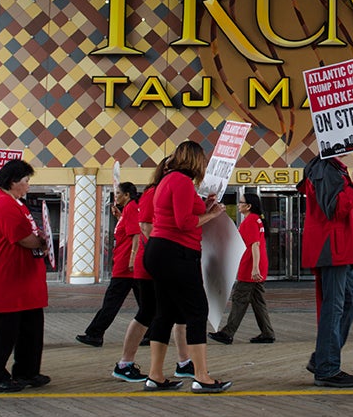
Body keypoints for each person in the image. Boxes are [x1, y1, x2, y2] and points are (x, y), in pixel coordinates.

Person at [142, 141, 231, 393]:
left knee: (165, 312)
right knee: (197, 311)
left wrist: (207, 205)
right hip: (176, 252)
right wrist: (212, 215)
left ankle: (155, 375)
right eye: (202, 159)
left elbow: (181, 213)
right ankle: (202, 376)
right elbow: (184, 222)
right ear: (195, 159)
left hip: (159, 251)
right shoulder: (181, 181)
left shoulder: (168, 181)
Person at [111, 164, 193, 384]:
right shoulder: (152, 193)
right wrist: (165, 252)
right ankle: (125, 363)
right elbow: (145, 228)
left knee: (178, 313)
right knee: (148, 312)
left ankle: (184, 363)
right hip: (153, 265)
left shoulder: (170, 191)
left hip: (166, 262)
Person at [0, 158, 51, 393]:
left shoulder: (15, 203)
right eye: (26, 181)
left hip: (23, 279)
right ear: (13, 182)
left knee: (30, 326)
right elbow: (22, 238)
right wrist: (41, 241)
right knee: (5, 330)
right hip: (6, 278)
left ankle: (27, 371)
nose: (28, 186)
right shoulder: (3, 204)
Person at [299, 154, 353, 388]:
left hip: (337, 249)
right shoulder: (326, 168)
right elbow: (335, 209)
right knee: (335, 305)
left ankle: (323, 358)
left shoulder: (329, 168)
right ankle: (327, 367)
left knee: (349, 301)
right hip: (332, 248)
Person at [77, 182, 139, 347]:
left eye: (118, 193)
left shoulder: (132, 208)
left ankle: (95, 333)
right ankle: (153, 333)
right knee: (146, 304)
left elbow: (136, 235)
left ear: (127, 195)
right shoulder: (127, 210)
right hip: (125, 265)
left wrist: (132, 258)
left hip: (125, 267)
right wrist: (119, 216)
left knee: (111, 302)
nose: (116, 196)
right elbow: (128, 229)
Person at [210, 193, 275, 345]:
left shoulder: (250, 221)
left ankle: (227, 333)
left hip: (250, 267)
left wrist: (254, 268)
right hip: (256, 265)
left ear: (248, 206)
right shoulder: (257, 219)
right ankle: (267, 333)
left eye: (241, 202)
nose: (238, 205)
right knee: (258, 301)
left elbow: (255, 246)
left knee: (240, 298)